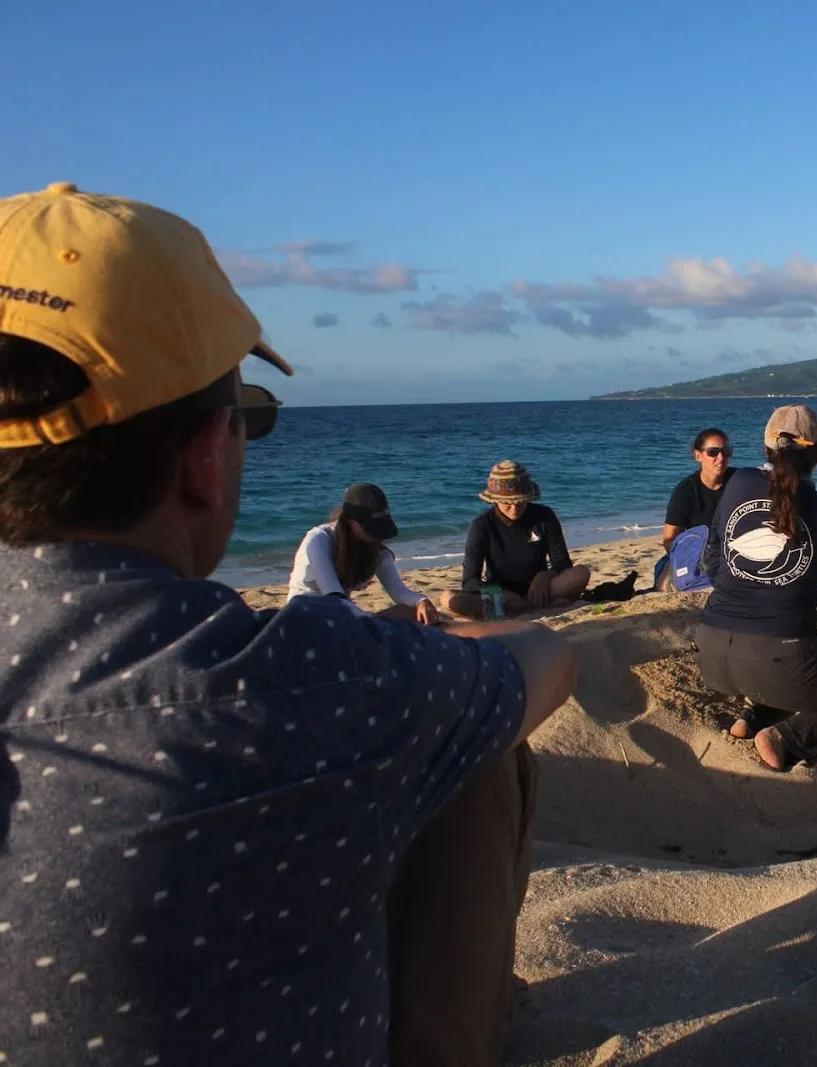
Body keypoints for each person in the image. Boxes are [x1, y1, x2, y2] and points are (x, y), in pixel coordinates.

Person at [0, 183, 577, 1066]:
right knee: (477, 741)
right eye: (248, 421)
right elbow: (548, 661)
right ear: (203, 457)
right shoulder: (306, 675)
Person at [695, 405, 817, 772]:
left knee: (788, 664)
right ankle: (786, 736)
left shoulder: (738, 483)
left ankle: (753, 713)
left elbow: (712, 562)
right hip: (781, 658)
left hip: (712, 653)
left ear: (766, 448)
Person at [445, 460, 592, 617]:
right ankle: (525, 607)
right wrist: (502, 593)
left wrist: (544, 576)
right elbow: (470, 582)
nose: (514, 508)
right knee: (448, 598)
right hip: (501, 594)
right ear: (495, 500)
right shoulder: (481, 525)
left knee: (581, 573)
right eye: (507, 502)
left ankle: (519, 608)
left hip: (539, 591)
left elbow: (563, 564)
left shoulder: (545, 516)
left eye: (520, 501)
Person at [287, 482, 440, 624]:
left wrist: (421, 601)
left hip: (343, 615)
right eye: (370, 526)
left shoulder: (376, 550)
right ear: (349, 520)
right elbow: (333, 595)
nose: (376, 534)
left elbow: (397, 590)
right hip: (307, 618)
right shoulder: (319, 539)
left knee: (412, 612)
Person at [655, 428, 731, 590]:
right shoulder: (685, 491)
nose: (721, 458)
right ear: (698, 456)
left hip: (733, 555)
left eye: (726, 451)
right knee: (667, 582)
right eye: (713, 452)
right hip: (697, 555)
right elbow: (669, 541)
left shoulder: (739, 482)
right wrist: (696, 553)